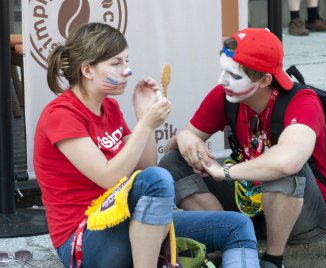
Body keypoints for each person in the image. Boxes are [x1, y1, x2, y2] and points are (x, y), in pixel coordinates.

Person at [34, 22, 260, 268]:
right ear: (87, 70)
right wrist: (144, 125)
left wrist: (145, 120)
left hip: (128, 222)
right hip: (83, 240)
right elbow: (109, 177)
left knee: (237, 227)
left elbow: (146, 168)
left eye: (126, 61)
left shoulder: (108, 106)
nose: (127, 71)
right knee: (157, 178)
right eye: (116, 63)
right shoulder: (61, 114)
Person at [159, 28, 326, 268]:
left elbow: (289, 161)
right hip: (249, 200)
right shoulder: (225, 95)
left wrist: (226, 172)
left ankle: (274, 260)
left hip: (302, 214)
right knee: (173, 162)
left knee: (281, 166)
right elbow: (176, 146)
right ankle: (229, 238)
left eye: (233, 74)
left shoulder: (302, 100)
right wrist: (185, 138)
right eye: (223, 70)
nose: (222, 80)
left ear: (265, 80)